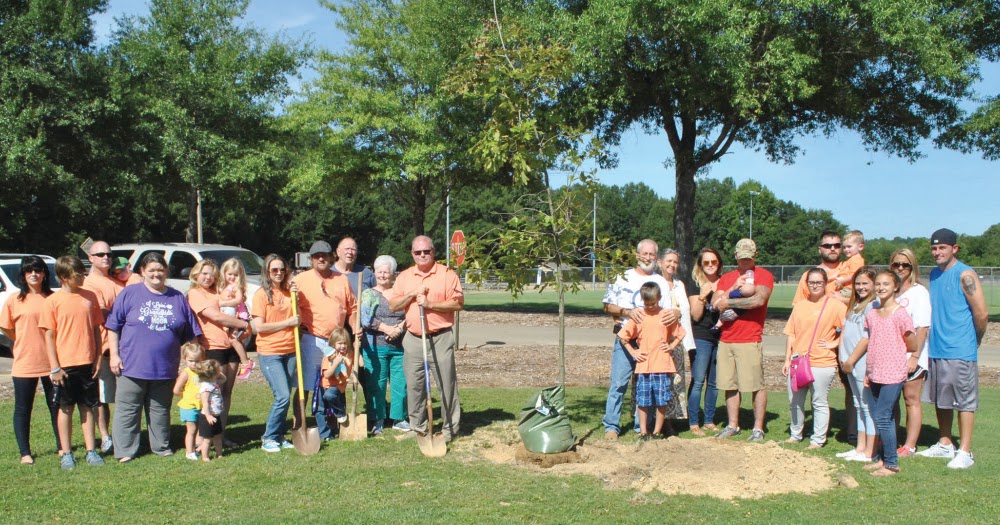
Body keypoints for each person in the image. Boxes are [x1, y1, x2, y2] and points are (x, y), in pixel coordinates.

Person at [108, 252, 202, 462]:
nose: (156, 274)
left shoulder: (177, 297)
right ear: (142, 272)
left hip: (164, 368)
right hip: (131, 366)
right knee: (128, 410)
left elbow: (191, 335)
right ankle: (125, 451)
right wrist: (114, 355)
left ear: (166, 271)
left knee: (160, 410)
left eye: (160, 270)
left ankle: (161, 446)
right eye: (151, 270)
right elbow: (113, 327)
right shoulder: (130, 294)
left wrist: (196, 365)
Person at [917, 228, 989, 469]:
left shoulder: (965, 274)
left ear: (954, 248)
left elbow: (981, 313)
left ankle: (965, 451)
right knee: (941, 400)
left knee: (964, 402)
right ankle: (945, 443)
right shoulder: (935, 275)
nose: (937, 252)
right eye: (934, 248)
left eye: (942, 248)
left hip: (960, 349)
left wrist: (974, 339)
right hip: (937, 348)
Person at [389, 235, 464, 442]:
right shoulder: (405, 276)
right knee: (414, 385)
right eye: (417, 252)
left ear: (433, 252)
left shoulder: (447, 274)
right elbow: (394, 305)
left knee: (446, 384)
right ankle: (418, 427)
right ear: (412, 254)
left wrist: (430, 304)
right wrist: (412, 294)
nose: (422, 255)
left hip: (440, 337)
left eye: (426, 251)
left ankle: (449, 430)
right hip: (413, 338)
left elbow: (458, 304)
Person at [599, 240, 673, 440]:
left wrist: (674, 316)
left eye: (652, 254)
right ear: (637, 255)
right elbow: (607, 306)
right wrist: (627, 312)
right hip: (626, 339)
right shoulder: (623, 278)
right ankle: (611, 426)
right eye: (644, 253)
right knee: (619, 384)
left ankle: (642, 428)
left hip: (651, 344)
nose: (648, 258)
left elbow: (668, 311)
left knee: (646, 386)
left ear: (656, 258)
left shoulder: (661, 282)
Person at [792, 230, 857, 441]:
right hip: (816, 346)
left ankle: (854, 431)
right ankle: (811, 432)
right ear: (820, 248)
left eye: (837, 245)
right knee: (810, 391)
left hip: (847, 337)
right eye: (828, 245)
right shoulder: (810, 275)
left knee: (852, 387)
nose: (833, 249)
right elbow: (799, 309)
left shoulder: (851, 270)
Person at [40, 256, 104, 469]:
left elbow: (96, 329)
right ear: (64, 277)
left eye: (83, 273)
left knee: (87, 407)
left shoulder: (90, 297)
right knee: (65, 407)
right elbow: (49, 337)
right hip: (65, 365)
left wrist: (97, 358)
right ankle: (66, 453)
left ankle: (91, 450)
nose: (83, 277)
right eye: (78, 275)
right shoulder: (52, 301)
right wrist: (55, 367)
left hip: (88, 362)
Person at [292, 240, 357, 441]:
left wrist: (356, 330)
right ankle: (298, 423)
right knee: (306, 383)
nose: (321, 258)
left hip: (337, 340)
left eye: (325, 255)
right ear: (311, 259)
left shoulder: (342, 280)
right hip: (311, 338)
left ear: (331, 257)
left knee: (337, 380)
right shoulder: (300, 280)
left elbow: (352, 308)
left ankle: (335, 423)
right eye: (317, 256)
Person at [712, 238, 773, 442]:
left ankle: (758, 428)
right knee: (729, 384)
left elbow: (758, 300)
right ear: (736, 256)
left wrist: (727, 301)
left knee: (756, 385)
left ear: (755, 255)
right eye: (742, 257)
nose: (745, 261)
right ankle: (732, 425)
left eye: (749, 257)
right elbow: (714, 302)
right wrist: (728, 294)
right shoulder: (727, 277)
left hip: (749, 338)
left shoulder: (763, 275)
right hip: (727, 338)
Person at [856, 270, 916, 477]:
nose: (881, 288)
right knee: (882, 417)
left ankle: (891, 464)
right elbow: (872, 344)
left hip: (893, 373)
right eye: (878, 284)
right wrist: (868, 372)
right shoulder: (872, 313)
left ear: (895, 287)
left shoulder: (900, 314)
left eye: (886, 284)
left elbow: (912, 342)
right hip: (875, 372)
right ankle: (882, 458)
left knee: (883, 416)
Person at [187, 259, 253, 447]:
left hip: (231, 346)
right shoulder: (195, 293)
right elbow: (215, 316)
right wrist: (242, 324)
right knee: (209, 392)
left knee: (226, 393)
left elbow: (236, 307)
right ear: (196, 274)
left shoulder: (218, 291)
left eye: (211, 274)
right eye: (204, 273)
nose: (208, 277)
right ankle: (204, 438)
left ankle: (220, 436)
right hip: (212, 347)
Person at [1, 257, 60, 465]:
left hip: (52, 363)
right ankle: (25, 452)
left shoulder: (53, 298)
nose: (33, 274)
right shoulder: (14, 300)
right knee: (23, 408)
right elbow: (6, 327)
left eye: (37, 270)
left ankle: (62, 446)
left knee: (56, 406)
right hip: (25, 363)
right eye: (29, 271)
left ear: (44, 274)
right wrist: (22, 340)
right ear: (23, 275)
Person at [782, 268, 847, 448]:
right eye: (811, 282)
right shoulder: (800, 306)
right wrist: (787, 359)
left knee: (818, 401)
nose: (815, 285)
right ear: (806, 284)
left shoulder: (835, 306)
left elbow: (849, 327)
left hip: (822, 362)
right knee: (795, 400)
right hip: (798, 361)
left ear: (826, 283)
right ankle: (796, 434)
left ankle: (818, 439)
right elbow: (791, 334)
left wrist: (834, 343)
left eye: (819, 282)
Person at [618, 283, 685, 441]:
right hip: (644, 366)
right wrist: (634, 352)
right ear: (642, 300)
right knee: (643, 400)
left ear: (659, 298)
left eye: (653, 303)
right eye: (646, 303)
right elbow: (623, 337)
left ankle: (656, 432)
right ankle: (643, 432)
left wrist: (671, 346)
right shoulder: (639, 316)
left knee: (661, 400)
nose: (650, 306)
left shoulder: (665, 315)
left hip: (662, 365)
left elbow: (680, 333)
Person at [252, 254, 300, 453]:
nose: (279, 273)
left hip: (290, 349)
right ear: (267, 272)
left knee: (285, 395)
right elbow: (258, 327)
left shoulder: (290, 293)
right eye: (274, 270)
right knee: (282, 396)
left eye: (282, 269)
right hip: (270, 352)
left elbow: (298, 317)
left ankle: (279, 435)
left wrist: (297, 294)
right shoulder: (261, 294)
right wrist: (287, 323)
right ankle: (268, 437)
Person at [360, 255, 408, 433]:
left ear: (393, 274)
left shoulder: (400, 294)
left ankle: (399, 418)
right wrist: (387, 329)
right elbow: (365, 319)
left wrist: (399, 328)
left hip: (400, 348)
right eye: (379, 271)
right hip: (375, 347)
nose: (382, 275)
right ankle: (377, 419)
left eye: (386, 271)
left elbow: (409, 314)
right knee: (376, 385)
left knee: (400, 384)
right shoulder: (369, 294)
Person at [890, 248, 930, 457]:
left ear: (913, 267)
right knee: (891, 400)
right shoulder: (891, 291)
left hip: (911, 355)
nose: (900, 268)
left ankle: (910, 445)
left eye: (905, 265)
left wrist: (914, 357)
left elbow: (922, 327)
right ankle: (892, 440)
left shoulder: (919, 292)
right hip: (891, 356)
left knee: (911, 398)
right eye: (896, 264)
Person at [837, 267, 879, 462]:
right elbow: (846, 330)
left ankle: (870, 450)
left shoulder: (873, 306)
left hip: (861, 362)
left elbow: (866, 338)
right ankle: (860, 447)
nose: (861, 287)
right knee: (858, 403)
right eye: (858, 283)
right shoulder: (856, 304)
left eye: (865, 283)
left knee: (867, 405)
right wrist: (842, 355)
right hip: (849, 362)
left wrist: (851, 359)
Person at [83, 240, 120, 454]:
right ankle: (105, 436)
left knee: (125, 395)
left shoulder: (115, 279)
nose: (105, 257)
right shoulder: (90, 284)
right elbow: (104, 315)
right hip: (104, 347)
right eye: (100, 254)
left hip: (125, 346)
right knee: (102, 397)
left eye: (108, 253)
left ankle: (122, 434)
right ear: (90, 258)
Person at [655, 249, 695, 430]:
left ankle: (671, 418)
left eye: (675, 262)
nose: (672, 265)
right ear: (660, 262)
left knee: (676, 380)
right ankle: (661, 422)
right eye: (668, 261)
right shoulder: (655, 282)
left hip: (677, 340)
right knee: (661, 380)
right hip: (660, 340)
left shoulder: (679, 285)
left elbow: (685, 313)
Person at [687, 248, 722, 436]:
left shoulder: (724, 282)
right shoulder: (694, 284)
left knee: (714, 382)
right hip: (701, 337)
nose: (710, 265)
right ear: (700, 265)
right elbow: (696, 315)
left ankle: (709, 420)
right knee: (698, 380)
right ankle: (694, 422)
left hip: (720, 337)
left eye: (714, 262)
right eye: (706, 262)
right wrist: (702, 296)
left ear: (719, 263)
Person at [217, 258, 254, 379]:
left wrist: (223, 304)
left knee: (234, 340)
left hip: (241, 318)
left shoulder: (236, 287)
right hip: (231, 317)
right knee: (231, 338)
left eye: (235, 275)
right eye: (230, 274)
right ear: (224, 273)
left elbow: (238, 300)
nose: (232, 277)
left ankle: (246, 362)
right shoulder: (223, 286)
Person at [173, 342, 205, 461]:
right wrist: (186, 396)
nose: (194, 364)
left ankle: (197, 447)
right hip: (188, 406)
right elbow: (176, 390)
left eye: (197, 361)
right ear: (185, 359)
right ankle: (189, 452)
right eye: (191, 360)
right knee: (191, 430)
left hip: (200, 405)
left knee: (199, 428)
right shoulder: (186, 373)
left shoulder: (202, 372)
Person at [320, 327, 354, 427]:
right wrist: (335, 363)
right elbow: (326, 375)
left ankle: (341, 426)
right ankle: (340, 414)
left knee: (339, 403)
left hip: (340, 385)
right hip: (329, 385)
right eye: (340, 343)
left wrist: (357, 348)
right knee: (329, 396)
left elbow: (360, 363)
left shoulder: (349, 354)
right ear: (333, 344)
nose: (343, 346)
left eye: (345, 343)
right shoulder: (329, 357)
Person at [195, 359, 226, 462]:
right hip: (208, 417)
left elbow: (224, 379)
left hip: (215, 416)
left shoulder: (214, 382)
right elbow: (205, 403)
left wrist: (217, 373)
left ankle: (219, 454)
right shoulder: (206, 387)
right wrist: (208, 416)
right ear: (213, 373)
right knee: (207, 439)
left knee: (217, 437)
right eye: (218, 369)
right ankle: (205, 457)